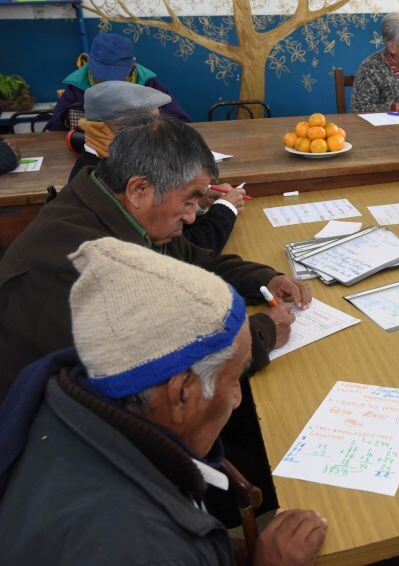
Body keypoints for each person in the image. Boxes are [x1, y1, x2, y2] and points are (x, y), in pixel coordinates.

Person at [0, 237, 327, 565]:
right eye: (232, 381)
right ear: (182, 392)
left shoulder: (61, 393)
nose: (238, 399)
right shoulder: (136, 544)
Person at [0, 114, 309, 402]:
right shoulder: (87, 265)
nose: (191, 217)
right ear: (140, 189)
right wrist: (260, 334)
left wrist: (264, 279)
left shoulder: (119, 209)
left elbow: (196, 264)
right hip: (61, 429)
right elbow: (167, 380)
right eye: (189, 200)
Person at [70, 82, 242, 255]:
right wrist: (226, 208)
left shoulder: (99, 164)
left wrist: (195, 203)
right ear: (131, 135)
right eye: (154, 129)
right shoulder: (107, 181)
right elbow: (181, 253)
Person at [46, 32, 190, 131]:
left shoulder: (147, 83)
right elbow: (54, 130)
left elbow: (181, 122)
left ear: (132, 67)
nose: (109, 85)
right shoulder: (76, 88)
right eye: (102, 77)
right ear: (90, 64)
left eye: (117, 77)